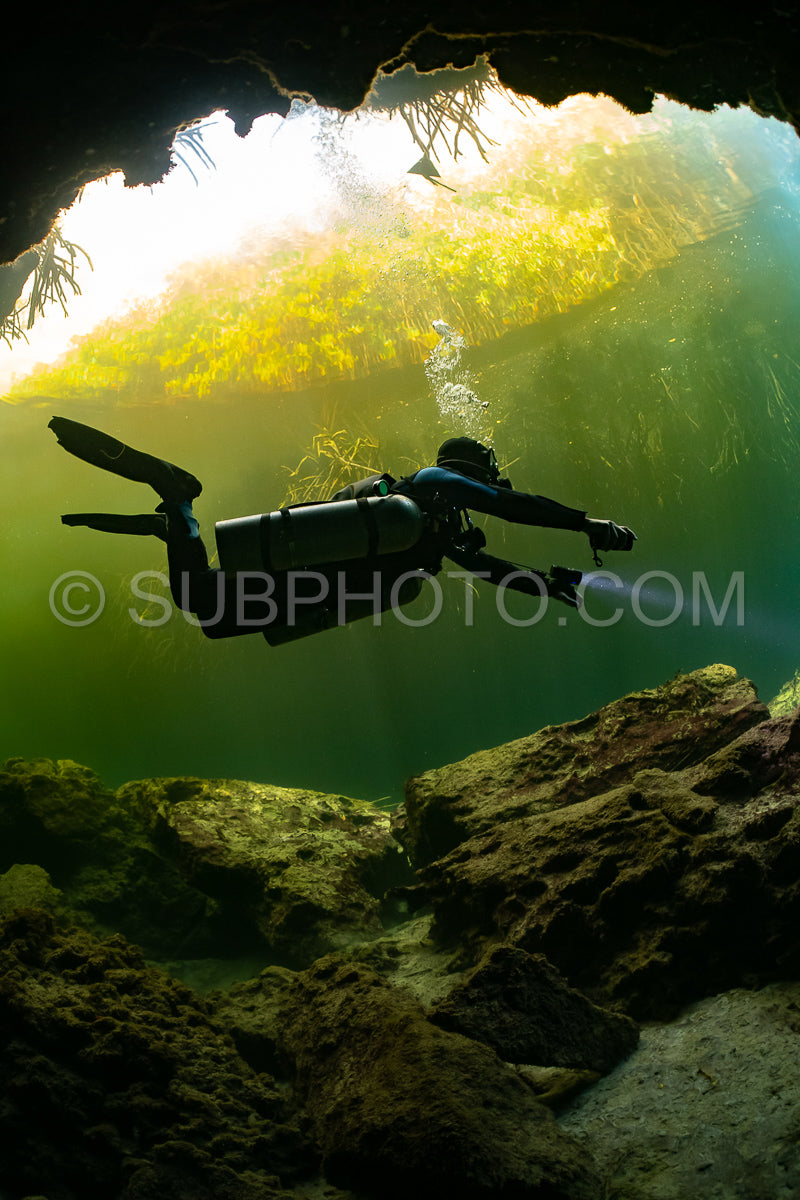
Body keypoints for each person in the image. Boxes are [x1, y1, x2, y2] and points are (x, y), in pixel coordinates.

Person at [48, 418, 636, 644]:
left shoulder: (440, 522)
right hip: (320, 573)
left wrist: (548, 585)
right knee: (203, 603)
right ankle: (176, 498)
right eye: (490, 473)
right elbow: (514, 507)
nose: (496, 485)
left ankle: (175, 522)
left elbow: (489, 570)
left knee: (212, 617)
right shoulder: (433, 484)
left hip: (326, 584)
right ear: (472, 468)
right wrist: (587, 525)